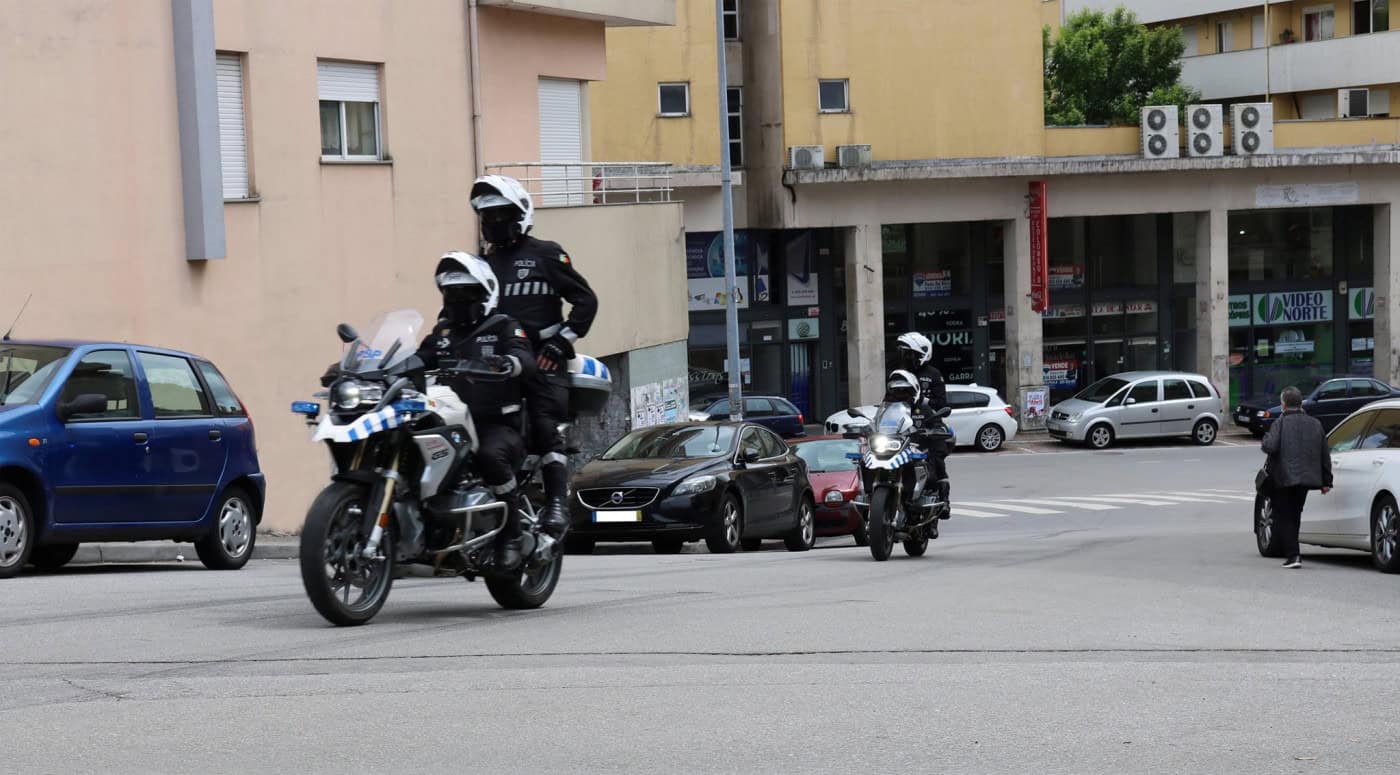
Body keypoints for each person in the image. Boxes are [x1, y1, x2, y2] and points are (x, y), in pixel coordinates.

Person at [470, 175, 598, 540]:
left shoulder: (547, 254)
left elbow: (586, 301)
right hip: (495, 366)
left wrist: (562, 341)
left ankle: (558, 501)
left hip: (542, 360)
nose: (494, 222)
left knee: (543, 424)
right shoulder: (483, 266)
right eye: (488, 216)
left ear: (521, 214)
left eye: (502, 214)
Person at [416, 252, 536, 571]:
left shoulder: (503, 326)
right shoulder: (442, 333)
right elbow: (417, 359)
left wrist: (509, 363)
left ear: (485, 293)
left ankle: (510, 536)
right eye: (452, 293)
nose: (458, 299)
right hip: (449, 420)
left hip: (496, 424)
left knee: (489, 457)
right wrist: (379, 368)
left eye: (467, 292)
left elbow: (524, 356)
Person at [1261, 385, 1333, 569]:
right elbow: (1325, 453)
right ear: (1300, 403)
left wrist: (1266, 437)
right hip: (1307, 479)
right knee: (1295, 514)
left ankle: (1293, 556)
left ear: (1283, 404)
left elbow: (1270, 446)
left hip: (1283, 478)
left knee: (1284, 516)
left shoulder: (1280, 422)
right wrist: (1327, 481)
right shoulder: (1315, 423)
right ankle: (1294, 554)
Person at [894, 332, 951, 515]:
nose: (906, 357)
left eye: (909, 353)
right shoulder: (899, 374)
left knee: (937, 465)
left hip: (929, 427)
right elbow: (889, 400)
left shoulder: (933, 374)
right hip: (905, 428)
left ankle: (943, 502)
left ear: (921, 354)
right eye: (904, 353)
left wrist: (925, 403)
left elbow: (942, 403)